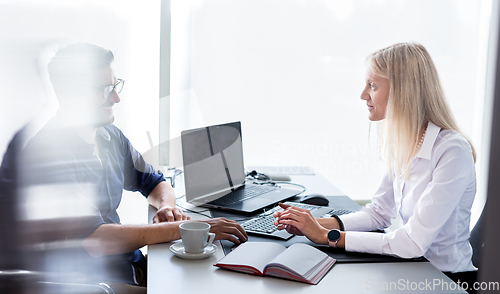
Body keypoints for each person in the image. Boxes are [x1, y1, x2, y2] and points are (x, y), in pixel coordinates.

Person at [19, 43, 247, 291]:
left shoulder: (110, 136)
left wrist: (167, 207)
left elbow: (155, 182)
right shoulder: (47, 154)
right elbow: (96, 239)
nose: (116, 98)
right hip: (91, 283)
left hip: (129, 266)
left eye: (115, 86)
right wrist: (184, 229)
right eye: (104, 89)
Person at [274, 42, 477, 288]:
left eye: (372, 85)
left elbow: (411, 243)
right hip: (412, 269)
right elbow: (379, 214)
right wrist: (310, 224)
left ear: (404, 90)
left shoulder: (452, 151)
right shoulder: (405, 142)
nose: (363, 95)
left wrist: (327, 236)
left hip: (445, 280)